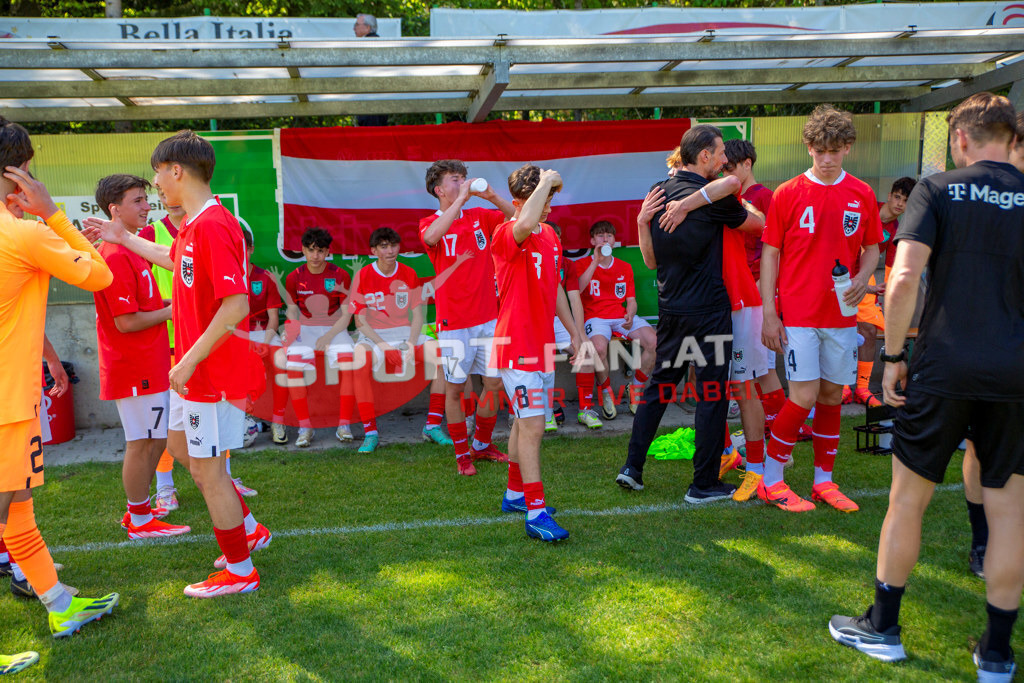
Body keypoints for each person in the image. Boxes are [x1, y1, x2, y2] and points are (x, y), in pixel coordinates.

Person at [829, 92, 1024, 682]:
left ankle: (883, 627)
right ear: (1010, 137)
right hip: (1014, 372)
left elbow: (905, 274)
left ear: (960, 139)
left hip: (942, 366)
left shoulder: (938, 190)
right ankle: (996, 652)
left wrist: (891, 356)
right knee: (1011, 510)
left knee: (907, 499)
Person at [85, 130, 271, 597]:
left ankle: (240, 569)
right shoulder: (194, 225)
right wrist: (123, 238)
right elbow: (173, 260)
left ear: (176, 171)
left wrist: (187, 360)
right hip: (194, 373)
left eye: (157, 175)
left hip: (207, 372)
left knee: (207, 471)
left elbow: (234, 304)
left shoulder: (212, 224)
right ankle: (248, 530)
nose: (155, 186)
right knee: (182, 449)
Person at [0, 116, 119, 635]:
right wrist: (52, 214)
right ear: (21, 171)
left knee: (17, 509)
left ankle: (58, 604)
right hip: (5, 403)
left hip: (13, 396)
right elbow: (98, 273)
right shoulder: (24, 232)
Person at [616, 124, 762, 502]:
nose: (726, 161)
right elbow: (758, 222)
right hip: (710, 313)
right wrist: (694, 203)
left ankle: (632, 467)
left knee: (659, 388)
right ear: (704, 157)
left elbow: (650, 260)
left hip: (672, 311)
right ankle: (704, 483)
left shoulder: (656, 192)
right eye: (720, 155)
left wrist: (646, 221)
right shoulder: (715, 196)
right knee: (712, 394)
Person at [760, 104, 882, 513]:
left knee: (832, 396)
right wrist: (769, 313)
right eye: (819, 150)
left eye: (835, 150)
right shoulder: (788, 193)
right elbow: (770, 256)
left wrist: (865, 277)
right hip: (799, 314)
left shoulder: (862, 193)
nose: (827, 159)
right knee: (804, 396)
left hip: (842, 315)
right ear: (808, 148)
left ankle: (822, 482)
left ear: (847, 148)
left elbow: (871, 248)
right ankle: (771, 480)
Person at [654, 170, 770, 501]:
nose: (675, 177)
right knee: (710, 387)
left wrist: (686, 205)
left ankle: (759, 469)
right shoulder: (681, 201)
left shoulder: (717, 197)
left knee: (744, 387)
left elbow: (757, 220)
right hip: (708, 308)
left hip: (740, 302)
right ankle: (728, 452)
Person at [92, 174, 191, 540]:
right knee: (141, 441)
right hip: (132, 365)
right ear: (115, 210)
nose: (147, 206)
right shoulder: (116, 255)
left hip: (148, 362)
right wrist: (172, 310)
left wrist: (164, 306)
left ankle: (141, 513)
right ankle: (138, 517)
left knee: (156, 439)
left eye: (146, 199)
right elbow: (126, 321)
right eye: (138, 201)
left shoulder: (132, 246)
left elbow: (141, 305)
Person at [491, 164, 581, 541]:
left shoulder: (550, 236)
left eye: (549, 199)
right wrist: (544, 182)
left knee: (523, 423)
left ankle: (515, 495)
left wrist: (575, 333)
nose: (548, 206)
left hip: (540, 343)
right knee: (532, 428)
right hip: (516, 344)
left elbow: (556, 287)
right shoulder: (505, 232)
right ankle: (536, 512)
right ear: (518, 203)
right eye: (541, 199)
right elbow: (523, 225)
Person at [419, 160, 515, 476]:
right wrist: (460, 200)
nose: (463, 182)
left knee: (494, 383)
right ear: (439, 189)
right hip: (454, 322)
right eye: (455, 179)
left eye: (463, 178)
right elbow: (432, 237)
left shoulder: (479, 217)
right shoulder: (428, 222)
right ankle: (462, 455)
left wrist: (491, 197)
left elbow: (515, 217)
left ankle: (482, 445)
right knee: (455, 390)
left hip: (489, 317)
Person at [325, 227, 450, 452]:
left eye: (393, 246)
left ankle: (432, 425)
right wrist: (383, 346)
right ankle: (370, 432)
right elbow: (360, 321)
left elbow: (418, 315)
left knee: (441, 356)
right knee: (359, 360)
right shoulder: (363, 275)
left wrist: (411, 343)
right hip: (374, 337)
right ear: (373, 251)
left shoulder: (408, 273)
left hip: (404, 334)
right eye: (383, 246)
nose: (390, 251)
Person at [574, 221, 657, 420]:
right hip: (595, 317)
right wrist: (595, 261)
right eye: (600, 236)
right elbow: (577, 290)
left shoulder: (624, 267)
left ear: (614, 241)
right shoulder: (582, 264)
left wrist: (630, 312)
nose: (605, 239)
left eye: (609, 236)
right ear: (592, 240)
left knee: (655, 343)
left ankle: (636, 388)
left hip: (620, 317)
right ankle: (606, 391)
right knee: (599, 349)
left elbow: (631, 300)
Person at [847, 176, 917, 408]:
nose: (899, 204)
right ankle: (843, 387)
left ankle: (863, 389)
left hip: (864, 279)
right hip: (841, 272)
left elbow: (891, 266)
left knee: (867, 329)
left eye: (905, 201)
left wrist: (889, 292)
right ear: (889, 196)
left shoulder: (897, 228)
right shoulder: (869, 209)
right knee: (840, 329)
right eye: (897, 197)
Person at [283, 227, 352, 447]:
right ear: (303, 250)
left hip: (335, 328)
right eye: (311, 250)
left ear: (327, 252)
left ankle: (344, 425)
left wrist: (329, 336)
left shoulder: (340, 275)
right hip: (306, 329)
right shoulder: (294, 277)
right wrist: (291, 332)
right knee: (293, 368)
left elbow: (347, 313)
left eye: (320, 251)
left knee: (349, 364)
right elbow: (292, 310)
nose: (315, 256)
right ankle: (305, 427)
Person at [140, 190, 185, 512]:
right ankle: (165, 486)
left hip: (202, 340)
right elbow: (135, 284)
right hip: (165, 343)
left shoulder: (206, 227)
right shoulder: (150, 233)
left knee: (212, 413)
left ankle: (225, 477)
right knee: (166, 421)